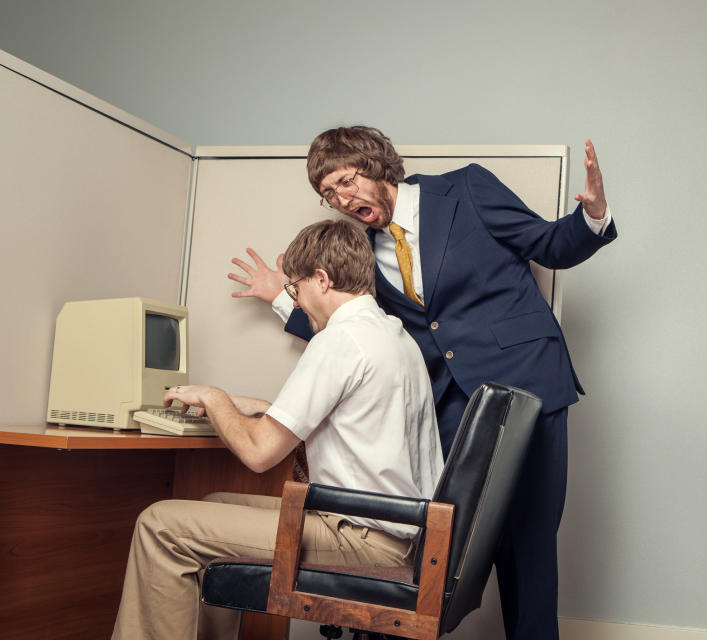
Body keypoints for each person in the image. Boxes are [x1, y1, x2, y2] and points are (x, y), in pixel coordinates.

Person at [229, 126, 616, 640]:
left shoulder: (467, 190)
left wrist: (591, 216)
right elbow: (355, 318)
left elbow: (546, 243)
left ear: (376, 166)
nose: (340, 200)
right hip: (451, 404)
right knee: (445, 543)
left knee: (528, 539)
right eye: (328, 194)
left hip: (528, 385)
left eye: (345, 182)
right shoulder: (363, 249)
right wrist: (282, 297)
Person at [112, 219, 443, 640]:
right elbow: (347, 419)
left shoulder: (341, 340)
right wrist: (248, 407)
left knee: (159, 524)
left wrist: (214, 398)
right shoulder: (391, 336)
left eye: (295, 289)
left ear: (321, 280)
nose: (297, 302)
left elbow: (258, 454)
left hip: (367, 543)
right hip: (402, 534)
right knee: (215, 503)